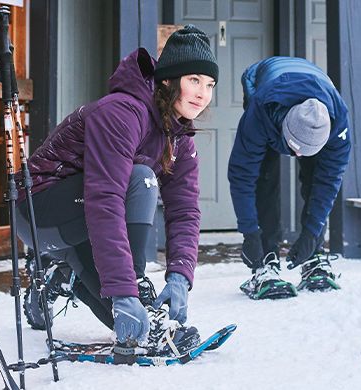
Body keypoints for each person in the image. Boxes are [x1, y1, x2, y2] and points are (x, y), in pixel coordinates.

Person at [15, 25, 217, 351]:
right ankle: (133, 282)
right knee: (140, 179)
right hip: (38, 211)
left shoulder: (179, 138)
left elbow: (185, 209)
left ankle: (64, 273)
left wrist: (180, 275)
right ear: (168, 80)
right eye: (194, 80)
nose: (202, 93)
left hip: (82, 219)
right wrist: (127, 289)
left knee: (131, 326)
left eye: (209, 85)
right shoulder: (123, 112)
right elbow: (105, 197)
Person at [228, 57, 351, 300]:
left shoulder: (338, 124)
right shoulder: (260, 109)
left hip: (315, 87)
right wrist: (250, 233)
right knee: (264, 174)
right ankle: (265, 261)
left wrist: (311, 233)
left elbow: (328, 183)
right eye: (294, 148)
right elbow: (243, 175)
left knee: (317, 174)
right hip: (265, 83)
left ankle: (314, 254)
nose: (296, 156)